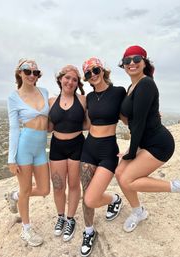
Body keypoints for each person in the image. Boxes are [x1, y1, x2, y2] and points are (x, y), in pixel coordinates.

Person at [116, 45, 179, 233]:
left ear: (144, 62)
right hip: (145, 141)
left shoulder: (146, 84)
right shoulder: (132, 86)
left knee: (127, 179)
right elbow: (131, 118)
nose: (132, 63)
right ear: (124, 65)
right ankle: (139, 211)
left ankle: (174, 186)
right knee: (120, 174)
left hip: (159, 144)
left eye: (136, 59)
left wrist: (131, 151)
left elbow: (140, 122)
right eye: (127, 60)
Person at [80, 57, 126, 257]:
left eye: (95, 70)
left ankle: (114, 199)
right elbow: (87, 124)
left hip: (108, 150)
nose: (93, 75)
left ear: (103, 70)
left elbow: (128, 118)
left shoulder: (118, 92)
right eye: (88, 73)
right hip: (88, 148)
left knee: (91, 198)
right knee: (86, 194)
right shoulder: (89, 98)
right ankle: (89, 231)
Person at [5, 58, 50, 246]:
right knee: (25, 189)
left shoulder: (45, 92)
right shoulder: (13, 97)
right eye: (27, 71)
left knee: (44, 189)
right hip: (24, 148)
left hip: (40, 148)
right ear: (20, 73)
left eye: (35, 72)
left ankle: (13, 196)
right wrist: (11, 159)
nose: (32, 75)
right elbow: (14, 129)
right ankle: (26, 229)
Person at [48, 65, 86, 242]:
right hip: (57, 146)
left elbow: (90, 124)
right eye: (67, 78)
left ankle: (70, 219)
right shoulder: (51, 101)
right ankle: (61, 216)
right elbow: (48, 127)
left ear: (78, 83)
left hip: (77, 145)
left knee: (73, 185)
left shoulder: (83, 100)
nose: (70, 82)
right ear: (60, 79)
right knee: (58, 185)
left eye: (75, 79)